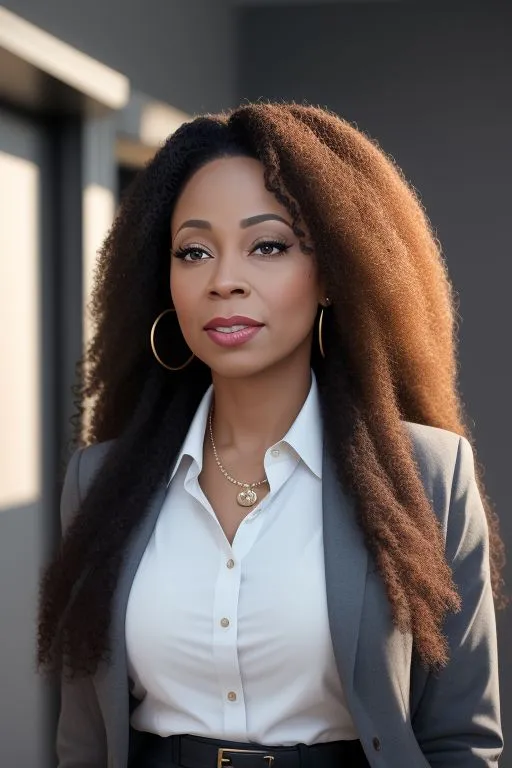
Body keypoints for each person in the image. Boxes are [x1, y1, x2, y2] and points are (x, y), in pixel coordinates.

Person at [38, 103, 504, 768]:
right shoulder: (101, 483)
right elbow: (83, 743)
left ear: (332, 276)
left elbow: (461, 740)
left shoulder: (428, 475)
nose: (224, 280)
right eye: (193, 251)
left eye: (268, 246)